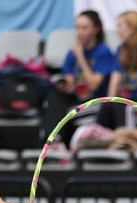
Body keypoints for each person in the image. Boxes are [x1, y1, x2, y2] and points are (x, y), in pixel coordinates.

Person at [41, 10, 114, 142]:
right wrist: (65, 86)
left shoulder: (103, 52)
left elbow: (94, 84)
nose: (79, 32)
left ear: (96, 30)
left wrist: (81, 58)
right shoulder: (71, 53)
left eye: (84, 28)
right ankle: (53, 141)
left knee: (65, 113)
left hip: (96, 102)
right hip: (76, 100)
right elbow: (70, 82)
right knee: (53, 97)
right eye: (77, 27)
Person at [98, 10, 137, 130]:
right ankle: (100, 139)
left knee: (125, 108)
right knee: (107, 107)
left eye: (120, 26)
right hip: (126, 101)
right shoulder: (120, 50)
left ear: (132, 28)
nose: (117, 31)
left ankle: (127, 141)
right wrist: (109, 103)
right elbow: (114, 83)